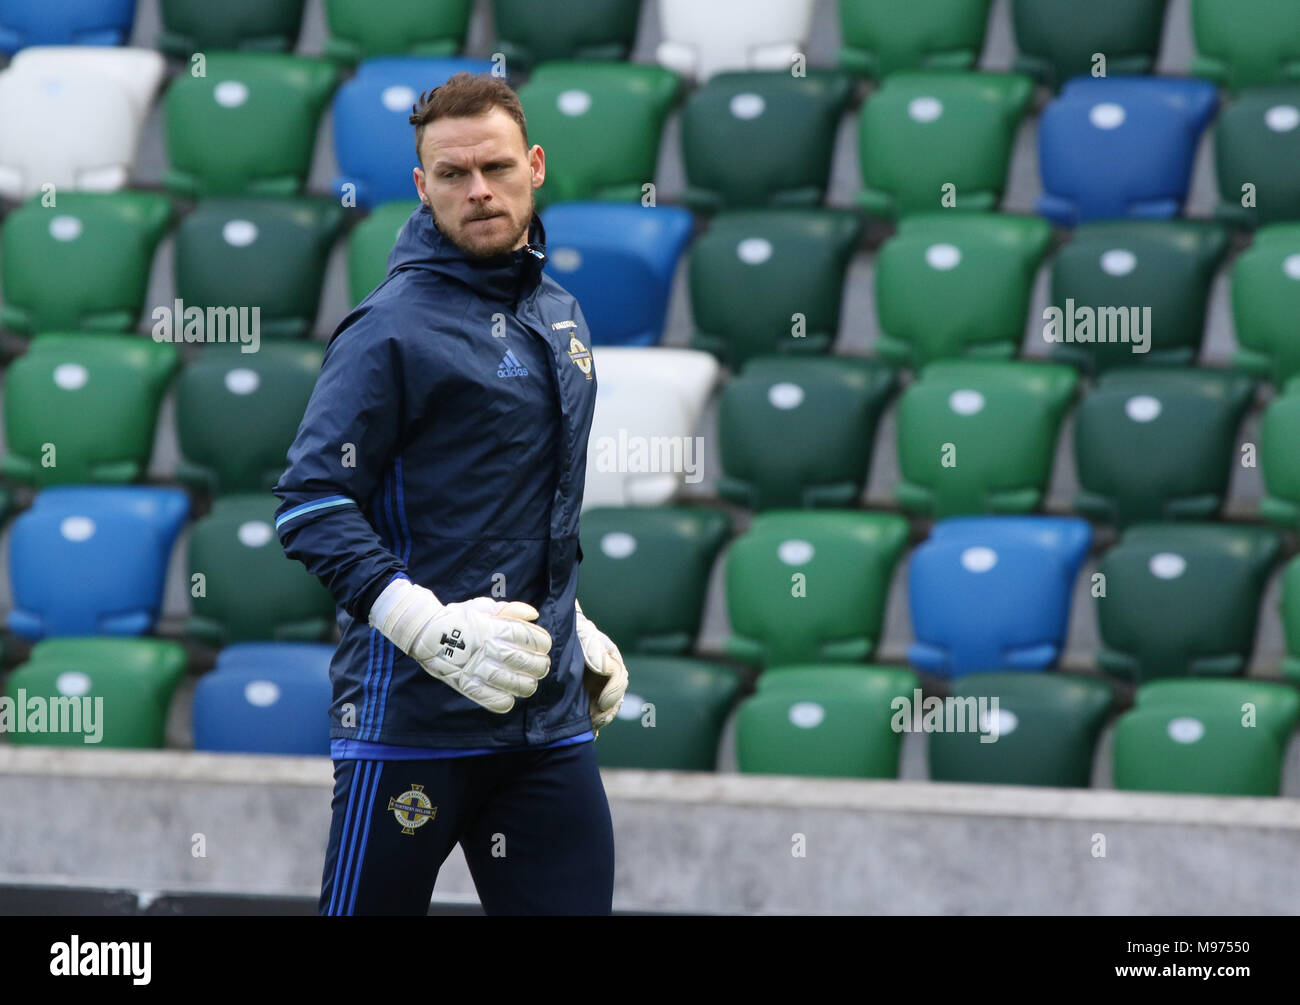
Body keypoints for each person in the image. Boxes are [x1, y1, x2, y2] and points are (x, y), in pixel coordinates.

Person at [273, 72, 628, 916]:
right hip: (411, 722)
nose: (478, 191)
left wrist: (569, 619)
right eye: (453, 174)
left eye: (496, 168)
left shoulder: (563, 313)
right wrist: (427, 627)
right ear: (421, 186)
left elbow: (524, 505)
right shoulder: (389, 328)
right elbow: (309, 502)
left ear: (534, 166)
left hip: (543, 723)